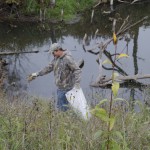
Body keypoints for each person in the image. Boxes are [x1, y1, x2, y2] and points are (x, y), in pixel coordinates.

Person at [28, 43, 82, 111]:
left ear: (58, 50)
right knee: (61, 108)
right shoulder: (56, 59)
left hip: (67, 89)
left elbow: (77, 70)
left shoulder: (67, 58)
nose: (52, 54)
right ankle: (65, 118)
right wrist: (36, 74)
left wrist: (77, 84)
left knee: (63, 109)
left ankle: (64, 119)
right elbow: (48, 68)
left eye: (53, 53)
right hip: (60, 88)